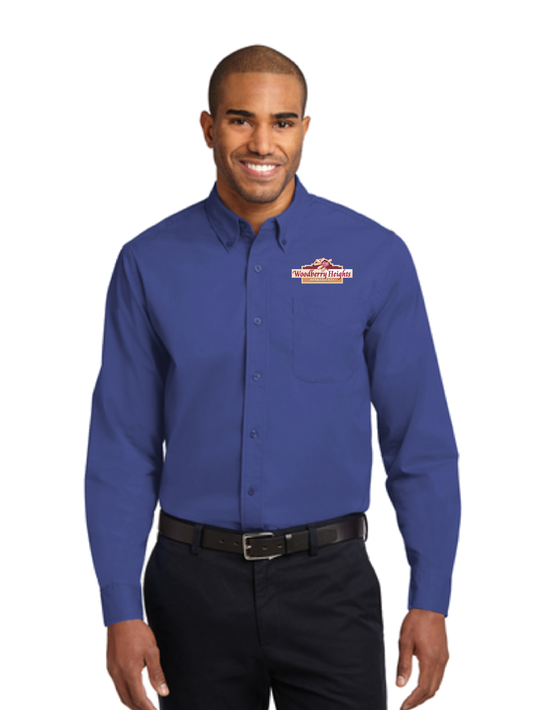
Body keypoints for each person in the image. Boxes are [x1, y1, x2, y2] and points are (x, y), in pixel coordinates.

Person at [84, 42, 463, 710]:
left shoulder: (375, 256)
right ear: (207, 127)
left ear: (305, 128)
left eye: (282, 122)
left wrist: (430, 599)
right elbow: (121, 448)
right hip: (191, 590)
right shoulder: (147, 263)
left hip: (331, 586)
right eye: (241, 120)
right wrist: (120, 609)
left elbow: (421, 443)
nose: (262, 143)